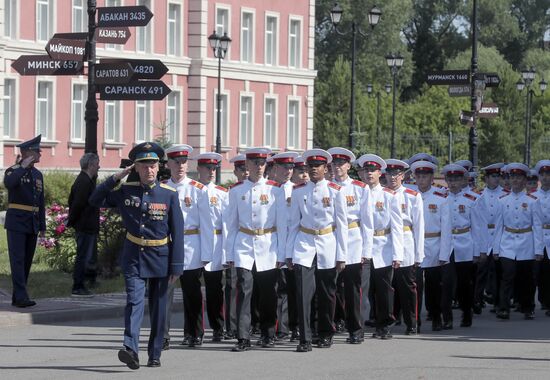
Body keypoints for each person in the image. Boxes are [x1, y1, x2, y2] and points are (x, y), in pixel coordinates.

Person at [89, 142, 184, 369]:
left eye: (152, 166)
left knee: (159, 308)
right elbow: (94, 200)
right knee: (133, 302)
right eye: (143, 166)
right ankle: (130, 348)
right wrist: (116, 177)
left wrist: (177, 266)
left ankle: (155, 353)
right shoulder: (125, 192)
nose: (148, 170)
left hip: (161, 255)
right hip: (134, 255)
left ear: (158, 167)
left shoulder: (169, 195)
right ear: (136, 168)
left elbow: (178, 232)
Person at [224, 147, 287, 352]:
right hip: (243, 244)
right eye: (255, 164)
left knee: (268, 292)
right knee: (244, 290)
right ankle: (243, 336)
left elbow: (282, 224)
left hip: (268, 244)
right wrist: (229, 252)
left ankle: (268, 332)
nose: (259, 167)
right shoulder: (236, 190)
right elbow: (230, 224)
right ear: (247, 166)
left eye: (262, 164)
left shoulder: (275, 190)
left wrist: (283, 253)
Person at [286, 149, 348, 352]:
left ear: (325, 168)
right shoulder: (298, 191)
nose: (313, 170)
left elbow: (342, 225)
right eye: (310, 166)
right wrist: (289, 253)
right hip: (304, 244)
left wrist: (342, 255)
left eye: (317, 166)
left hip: (327, 243)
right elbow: (293, 224)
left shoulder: (335, 191)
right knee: (303, 293)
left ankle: (325, 333)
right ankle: (305, 338)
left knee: (327, 293)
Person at [163, 144, 208, 348]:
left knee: (192, 293)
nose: (181, 166)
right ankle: (162, 336)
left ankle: (194, 332)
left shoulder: (198, 190)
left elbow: (206, 224)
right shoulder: (162, 187)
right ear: (169, 164)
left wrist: (207, 252)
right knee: (165, 293)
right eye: (176, 162)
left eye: (183, 162)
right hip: (168, 245)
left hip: (191, 244)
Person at [357, 154, 403, 339]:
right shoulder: (358, 192)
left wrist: (397, 254)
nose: (369, 174)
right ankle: (358, 326)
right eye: (366, 170)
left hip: (383, 245)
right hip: (362, 245)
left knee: (384, 289)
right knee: (363, 288)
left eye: (373, 171)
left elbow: (397, 226)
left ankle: (384, 325)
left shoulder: (388, 195)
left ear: (379, 173)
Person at [328, 147, 369, 344]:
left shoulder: (360, 188)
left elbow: (367, 222)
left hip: (353, 240)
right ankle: (334, 322)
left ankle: (355, 328)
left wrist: (366, 250)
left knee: (353, 289)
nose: (337, 167)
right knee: (331, 286)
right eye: (334, 164)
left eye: (341, 164)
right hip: (331, 238)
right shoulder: (326, 186)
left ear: (348, 166)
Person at [493, 163, 543, 320]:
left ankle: (528, 307)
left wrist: (539, 250)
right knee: (507, 275)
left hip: (526, 242)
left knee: (526, 278)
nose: (515, 180)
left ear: (524, 180)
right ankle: (503, 308)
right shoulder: (502, 200)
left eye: (519, 177)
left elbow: (537, 225)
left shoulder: (532, 200)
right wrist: (496, 248)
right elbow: (498, 226)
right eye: (512, 177)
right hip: (507, 242)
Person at [441, 163, 488, 328]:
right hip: (446, 244)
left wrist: (480, 250)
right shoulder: (442, 197)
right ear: (446, 180)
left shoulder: (473, 199)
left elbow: (479, 226)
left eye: (457, 179)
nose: (453, 182)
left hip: (465, 243)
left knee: (464, 283)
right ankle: (446, 318)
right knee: (446, 282)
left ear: (463, 180)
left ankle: (466, 313)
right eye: (450, 179)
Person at [3, 135, 45, 308]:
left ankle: (18, 296)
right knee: (18, 260)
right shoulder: (13, 171)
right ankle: (21, 297)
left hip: (32, 223)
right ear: (27, 153)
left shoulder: (37, 174)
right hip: (17, 223)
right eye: (37, 152)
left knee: (26, 261)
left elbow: (40, 201)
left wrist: (42, 225)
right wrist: (22, 166)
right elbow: (9, 183)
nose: (40, 155)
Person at [411, 160, 452, 331]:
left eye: (425, 176)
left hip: (434, 245)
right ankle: (416, 321)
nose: (422, 180)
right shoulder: (410, 196)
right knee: (416, 286)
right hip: (414, 246)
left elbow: (446, 228)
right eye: (419, 176)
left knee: (434, 287)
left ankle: (436, 317)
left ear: (431, 178)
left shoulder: (441, 199)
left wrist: (444, 254)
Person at [385, 159, 425, 335]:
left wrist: (418, 254)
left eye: (396, 174)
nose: (393, 177)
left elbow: (419, 226)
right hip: (386, 242)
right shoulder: (381, 194)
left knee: (407, 286)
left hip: (406, 240)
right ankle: (389, 319)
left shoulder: (412, 195)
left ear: (403, 176)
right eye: (389, 174)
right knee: (386, 285)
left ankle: (412, 322)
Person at [196, 152, 231, 341]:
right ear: (199, 169)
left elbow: (226, 224)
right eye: (207, 168)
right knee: (193, 289)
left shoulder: (222, 193)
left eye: (214, 169)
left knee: (215, 288)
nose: (211, 172)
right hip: (195, 242)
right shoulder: (192, 190)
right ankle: (195, 331)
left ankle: (218, 327)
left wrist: (226, 251)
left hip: (216, 244)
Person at [270, 152, 299, 341]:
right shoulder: (269, 190)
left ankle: (294, 327)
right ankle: (277, 328)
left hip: (291, 244)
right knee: (275, 290)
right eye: (284, 168)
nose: (288, 171)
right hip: (271, 245)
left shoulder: (297, 190)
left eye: (291, 168)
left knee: (293, 288)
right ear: (274, 169)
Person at [473, 163, 509, 314]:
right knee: (481, 271)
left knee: (499, 271)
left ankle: (498, 302)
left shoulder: (506, 195)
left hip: (499, 235)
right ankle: (477, 300)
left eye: (498, 176)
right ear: (486, 179)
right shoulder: (479, 195)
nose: (496, 179)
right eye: (493, 176)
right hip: (484, 235)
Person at [67, 153, 100, 297]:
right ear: (91, 165)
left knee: (86, 256)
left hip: (87, 225)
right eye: (97, 163)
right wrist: (72, 221)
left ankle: (84, 282)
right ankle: (78, 286)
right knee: (83, 257)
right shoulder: (84, 181)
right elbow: (77, 204)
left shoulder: (87, 180)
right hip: (84, 225)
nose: (99, 166)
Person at [533, 160, 550, 315]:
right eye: (543, 174)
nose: (545, 177)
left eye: (548, 174)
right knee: (540, 272)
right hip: (538, 237)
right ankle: (544, 300)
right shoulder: (532, 196)